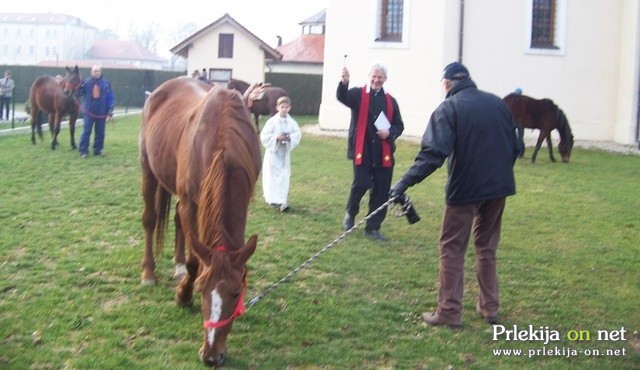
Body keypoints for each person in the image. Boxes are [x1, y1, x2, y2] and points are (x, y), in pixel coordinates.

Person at [390, 62, 518, 328]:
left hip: (466, 190)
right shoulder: (498, 104)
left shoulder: (449, 107)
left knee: (452, 248)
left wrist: (402, 183)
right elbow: (516, 148)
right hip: (499, 188)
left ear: (447, 84)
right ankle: (489, 307)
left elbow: (432, 155)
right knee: (486, 247)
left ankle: (448, 311)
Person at [337, 62, 404, 241]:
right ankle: (350, 213)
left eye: (379, 77)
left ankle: (373, 227)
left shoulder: (391, 101)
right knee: (361, 183)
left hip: (383, 152)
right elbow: (342, 97)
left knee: (381, 190)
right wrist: (344, 82)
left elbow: (399, 125)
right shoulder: (358, 94)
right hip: (362, 149)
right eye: (374, 76)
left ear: (385, 79)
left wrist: (390, 133)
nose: (376, 80)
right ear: (369, 77)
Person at [259, 96, 302, 212]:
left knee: (283, 176)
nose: (284, 109)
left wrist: (289, 138)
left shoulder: (292, 122)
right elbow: (264, 136)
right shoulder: (272, 121)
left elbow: (297, 134)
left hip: (284, 154)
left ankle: (283, 200)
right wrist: (276, 138)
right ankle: (272, 198)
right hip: (273, 153)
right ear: (278, 108)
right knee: (273, 176)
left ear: (289, 108)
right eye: (282, 107)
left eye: (286, 107)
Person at [77, 65, 115, 158]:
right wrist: (78, 86)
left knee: (100, 132)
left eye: (98, 71)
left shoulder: (106, 83)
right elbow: (78, 94)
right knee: (86, 131)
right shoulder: (86, 83)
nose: (96, 73)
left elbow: (111, 98)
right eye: (95, 71)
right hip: (89, 112)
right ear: (91, 72)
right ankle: (83, 150)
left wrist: (110, 111)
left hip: (102, 112)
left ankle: (98, 150)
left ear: (100, 72)